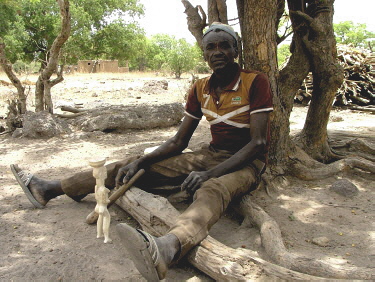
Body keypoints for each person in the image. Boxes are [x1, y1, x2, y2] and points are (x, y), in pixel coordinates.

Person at [11, 22, 273, 281]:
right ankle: (49, 189)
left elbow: (258, 143)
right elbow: (178, 142)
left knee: (212, 189)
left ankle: (169, 247)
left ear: (235, 50)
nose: (217, 52)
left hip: (247, 163)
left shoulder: (254, 82)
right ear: (204, 54)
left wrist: (209, 174)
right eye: (211, 47)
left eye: (224, 46)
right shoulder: (200, 88)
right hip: (211, 154)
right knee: (131, 165)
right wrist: (142, 161)